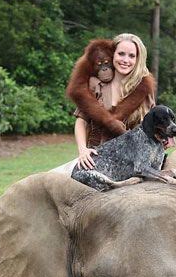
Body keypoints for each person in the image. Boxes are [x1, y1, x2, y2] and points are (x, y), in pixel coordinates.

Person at [53, 33, 155, 175]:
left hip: (132, 157)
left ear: (138, 59)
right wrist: (82, 150)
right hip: (96, 155)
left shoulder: (143, 88)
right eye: (121, 54)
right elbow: (81, 121)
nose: (125, 60)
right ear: (112, 55)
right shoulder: (96, 85)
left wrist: (167, 136)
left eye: (131, 56)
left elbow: (154, 123)